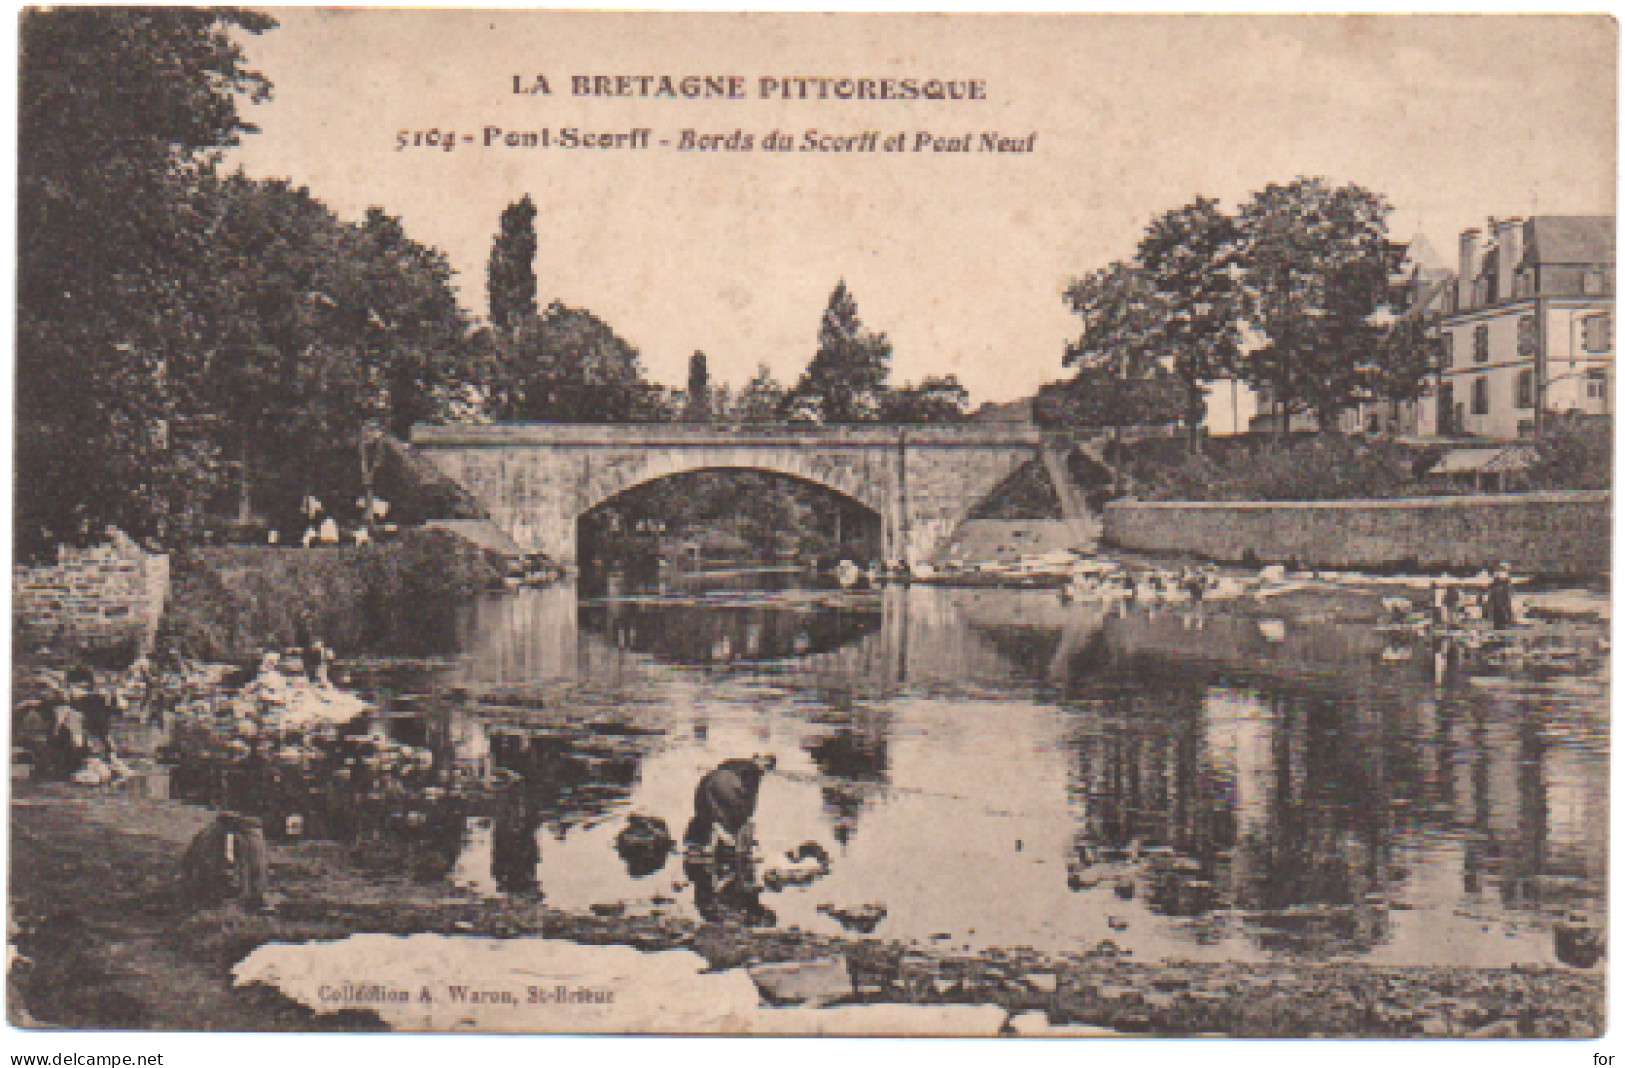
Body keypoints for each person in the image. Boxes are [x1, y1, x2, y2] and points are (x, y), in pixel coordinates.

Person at [1488, 565, 1516, 630]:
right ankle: (1501, 624)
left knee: (1502, 613)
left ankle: (1504, 623)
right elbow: (1491, 595)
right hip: (1498, 604)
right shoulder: (1496, 585)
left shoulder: (1504, 584)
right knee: (1499, 614)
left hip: (1501, 604)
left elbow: (1508, 595)